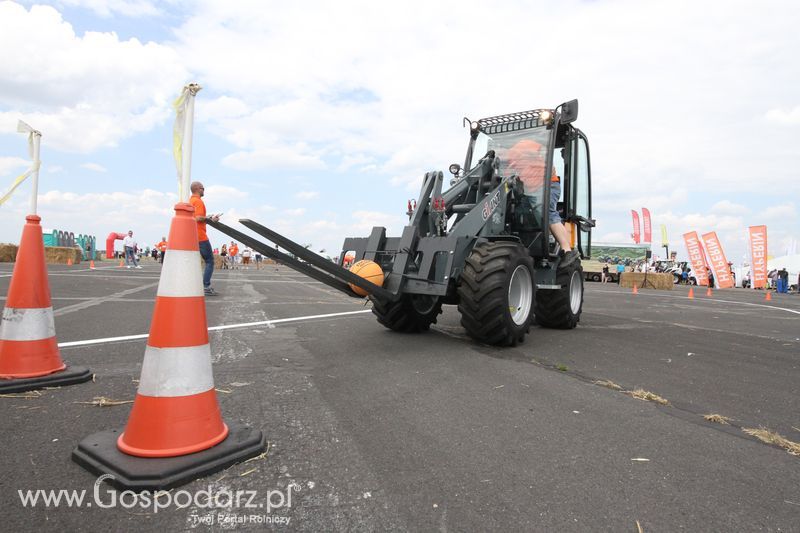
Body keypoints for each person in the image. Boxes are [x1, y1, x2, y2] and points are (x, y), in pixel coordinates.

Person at [506, 139, 578, 267]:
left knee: (546, 210)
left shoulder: (531, 146)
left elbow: (546, 157)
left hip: (548, 186)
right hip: (529, 190)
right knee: (513, 212)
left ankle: (567, 250)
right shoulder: (511, 157)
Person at [189, 181, 221, 296]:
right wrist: (211, 219)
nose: (204, 190)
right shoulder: (198, 202)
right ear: (198, 189)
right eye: (203, 188)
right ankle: (206, 287)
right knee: (210, 261)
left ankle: (193, 285)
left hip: (191, 235)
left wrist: (208, 218)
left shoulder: (190, 201)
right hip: (200, 235)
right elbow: (198, 218)